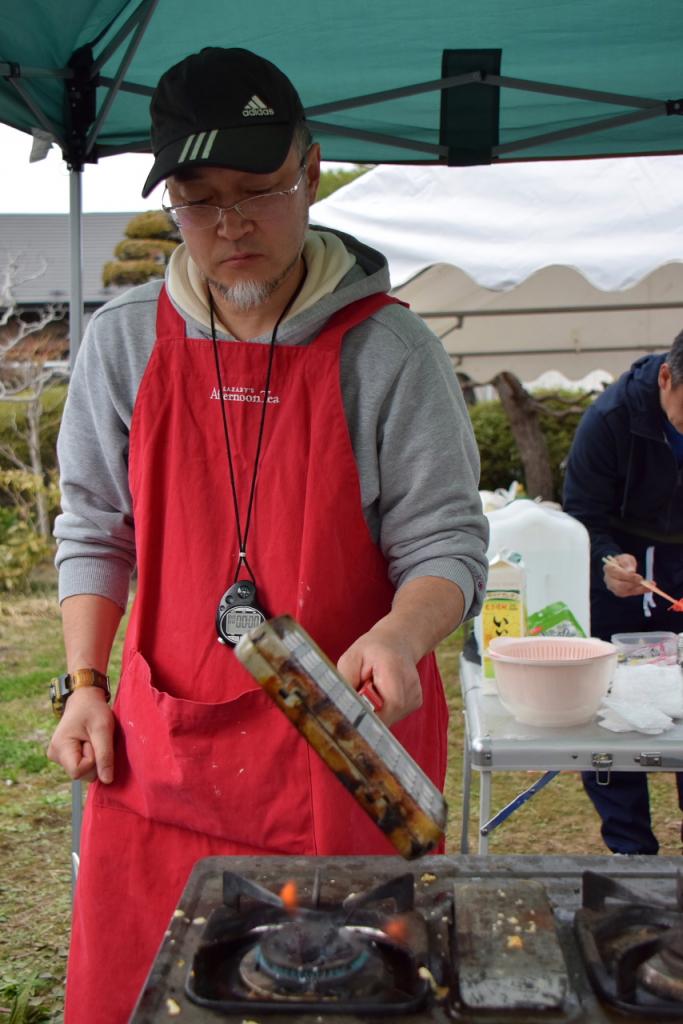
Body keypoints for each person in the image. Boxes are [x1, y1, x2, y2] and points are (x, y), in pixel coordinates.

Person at [47, 46, 488, 1023]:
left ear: (312, 168)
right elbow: (95, 525)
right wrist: (85, 683)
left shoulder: (386, 350)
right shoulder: (125, 342)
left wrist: (402, 633)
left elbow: (446, 540)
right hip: (165, 751)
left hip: (343, 749)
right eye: (198, 200)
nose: (231, 223)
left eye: (259, 188)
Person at [563, 330, 683, 855]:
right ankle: (631, 849)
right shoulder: (611, 419)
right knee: (609, 704)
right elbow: (581, 515)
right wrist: (606, 560)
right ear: (665, 378)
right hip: (622, 567)